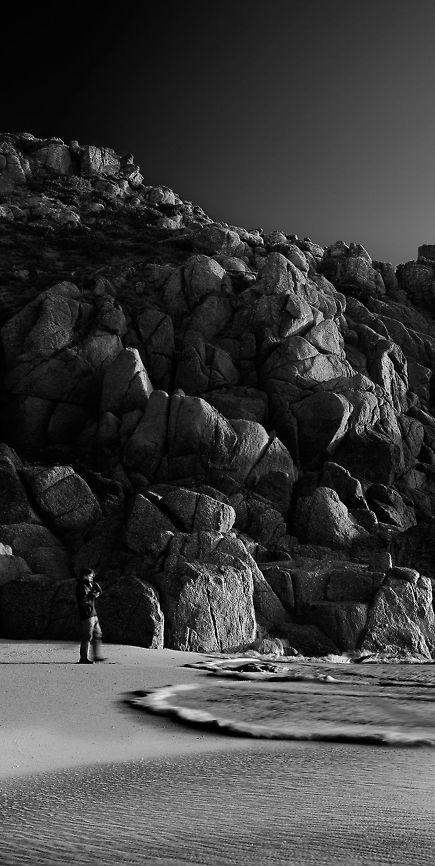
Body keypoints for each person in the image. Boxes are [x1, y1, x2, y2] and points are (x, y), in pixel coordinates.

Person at [75, 568, 106, 664]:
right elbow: (83, 600)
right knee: (87, 636)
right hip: (87, 614)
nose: (92, 578)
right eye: (90, 576)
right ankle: (83, 658)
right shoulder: (81, 586)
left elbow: (90, 597)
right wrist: (93, 595)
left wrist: (94, 593)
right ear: (84, 576)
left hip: (93, 613)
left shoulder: (88, 585)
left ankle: (96, 656)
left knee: (97, 634)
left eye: (92, 576)